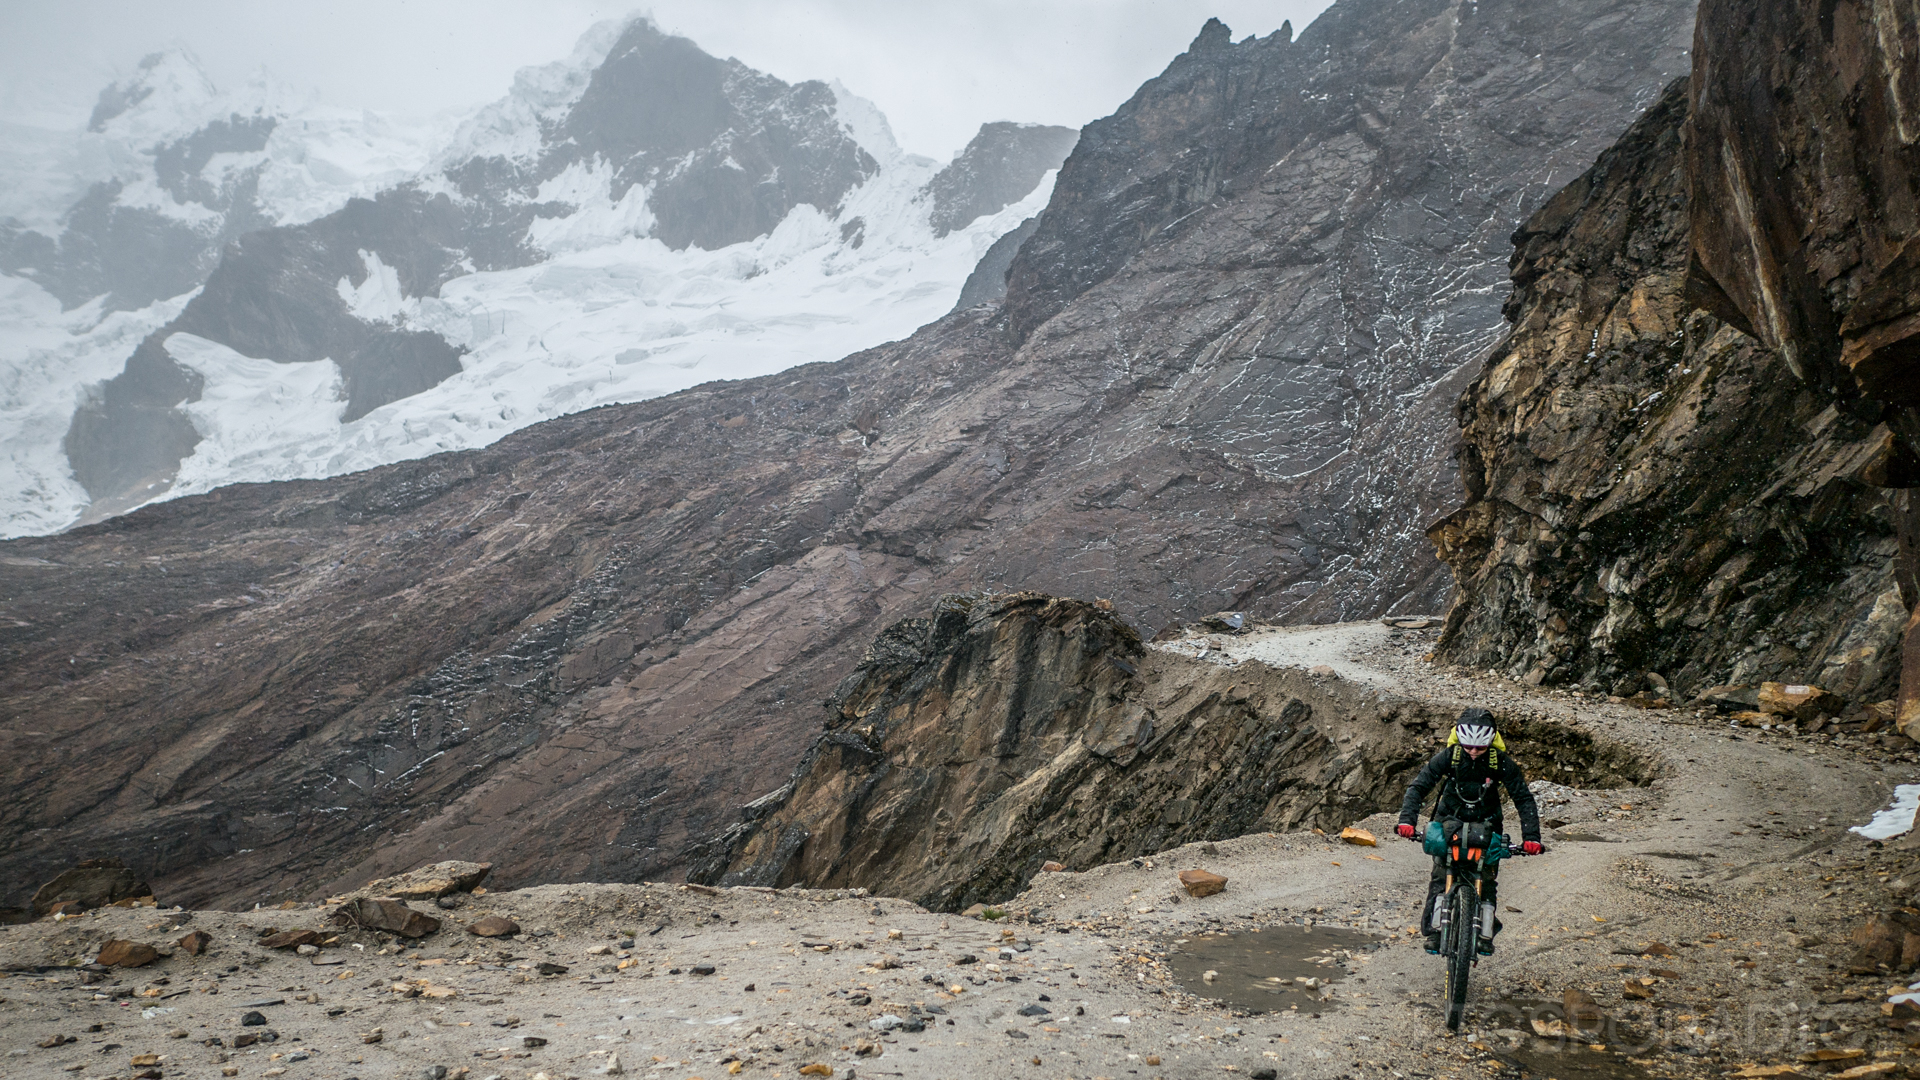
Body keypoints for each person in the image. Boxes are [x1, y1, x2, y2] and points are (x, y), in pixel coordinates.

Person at [1394, 707, 1543, 955]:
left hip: (1488, 824)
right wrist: (1407, 821)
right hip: (1448, 821)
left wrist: (1532, 838)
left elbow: (1523, 798)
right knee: (1441, 876)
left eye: (1480, 748)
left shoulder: (1500, 762)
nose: (1473, 752)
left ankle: (1485, 935)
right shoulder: (1449, 757)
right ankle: (1435, 933)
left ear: (1490, 743)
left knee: (1486, 880)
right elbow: (1418, 787)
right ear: (1460, 741)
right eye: (1468, 747)